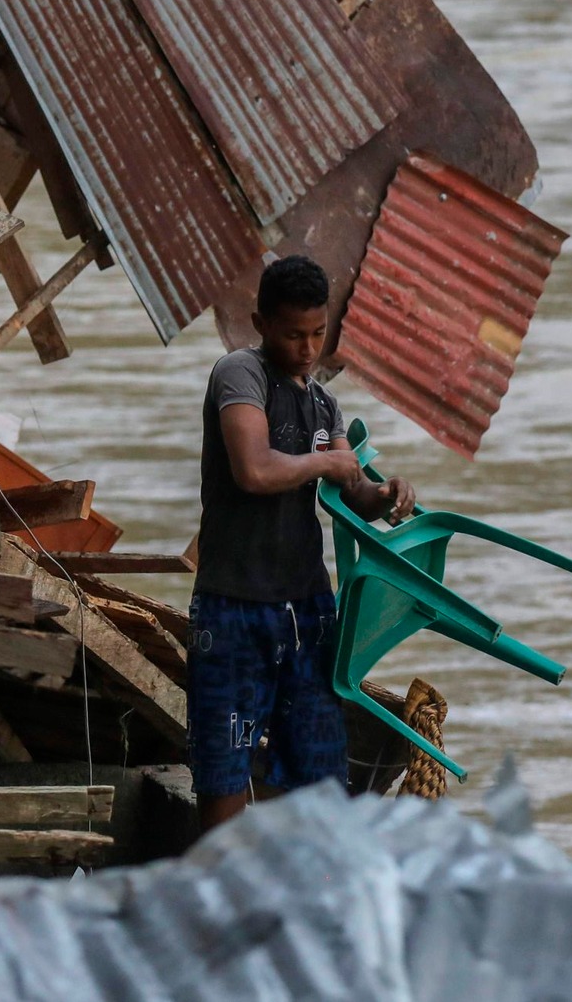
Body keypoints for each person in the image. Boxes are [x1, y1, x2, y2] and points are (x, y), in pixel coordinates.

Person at [188, 255, 416, 831]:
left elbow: (353, 491)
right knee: (224, 770)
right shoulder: (240, 374)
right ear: (260, 323)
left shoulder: (323, 402)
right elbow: (254, 470)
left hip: (307, 611)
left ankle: (310, 895)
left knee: (318, 774)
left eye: (318, 333)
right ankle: (219, 895)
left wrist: (387, 495)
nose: (308, 348)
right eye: (293, 334)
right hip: (235, 606)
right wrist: (327, 461)